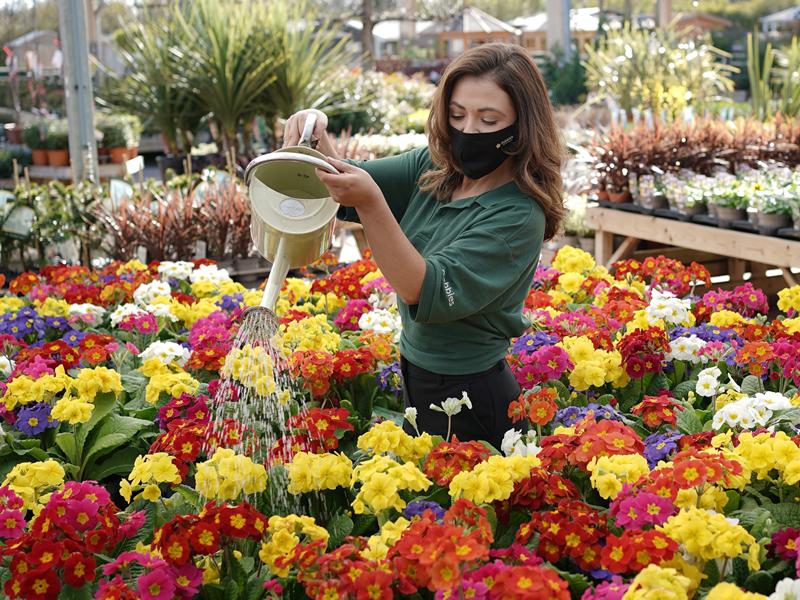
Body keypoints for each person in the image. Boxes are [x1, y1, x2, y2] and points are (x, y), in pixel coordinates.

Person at [282, 43, 565, 450]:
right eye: (457, 115)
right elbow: (346, 183)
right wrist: (315, 133)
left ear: (523, 125)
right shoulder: (435, 168)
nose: (468, 131)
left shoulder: (517, 215)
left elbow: (421, 286)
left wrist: (371, 202)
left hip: (474, 397)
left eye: (489, 120)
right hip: (417, 375)